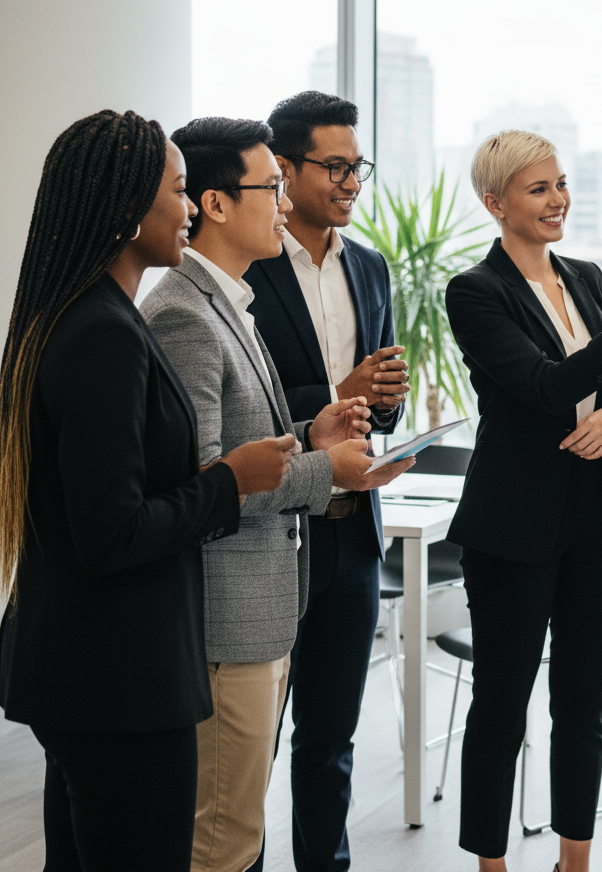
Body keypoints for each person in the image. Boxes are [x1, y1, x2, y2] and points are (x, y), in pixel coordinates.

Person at [0, 110, 295, 872]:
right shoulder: (103, 333)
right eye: (177, 190)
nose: (191, 206)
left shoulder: (77, 317)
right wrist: (232, 481)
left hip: (85, 673)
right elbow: (112, 532)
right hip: (121, 681)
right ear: (131, 210)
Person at [140, 116, 413, 872]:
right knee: (224, 836)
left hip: (275, 586)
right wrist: (331, 467)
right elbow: (207, 483)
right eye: (272, 187)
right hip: (232, 609)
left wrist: (315, 427)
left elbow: (245, 441)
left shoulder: (228, 302)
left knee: (247, 817)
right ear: (217, 203)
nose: (285, 203)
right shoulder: (188, 314)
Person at [445, 130, 602, 872]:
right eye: (538, 189)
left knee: (583, 707)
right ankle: (492, 865)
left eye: (560, 184)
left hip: (598, 519)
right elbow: (546, 387)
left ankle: (573, 861)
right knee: (501, 708)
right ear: (496, 203)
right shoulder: (474, 293)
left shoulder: (584, 275)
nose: (559, 201)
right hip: (514, 524)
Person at [245, 91, 408, 872]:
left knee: (332, 735)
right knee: (254, 739)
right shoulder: (248, 262)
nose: (350, 181)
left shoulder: (369, 267)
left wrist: (384, 393)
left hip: (353, 531)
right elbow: (240, 401)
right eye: (334, 166)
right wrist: (334, 394)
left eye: (357, 167)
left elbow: (375, 400)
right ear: (284, 168)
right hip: (275, 532)